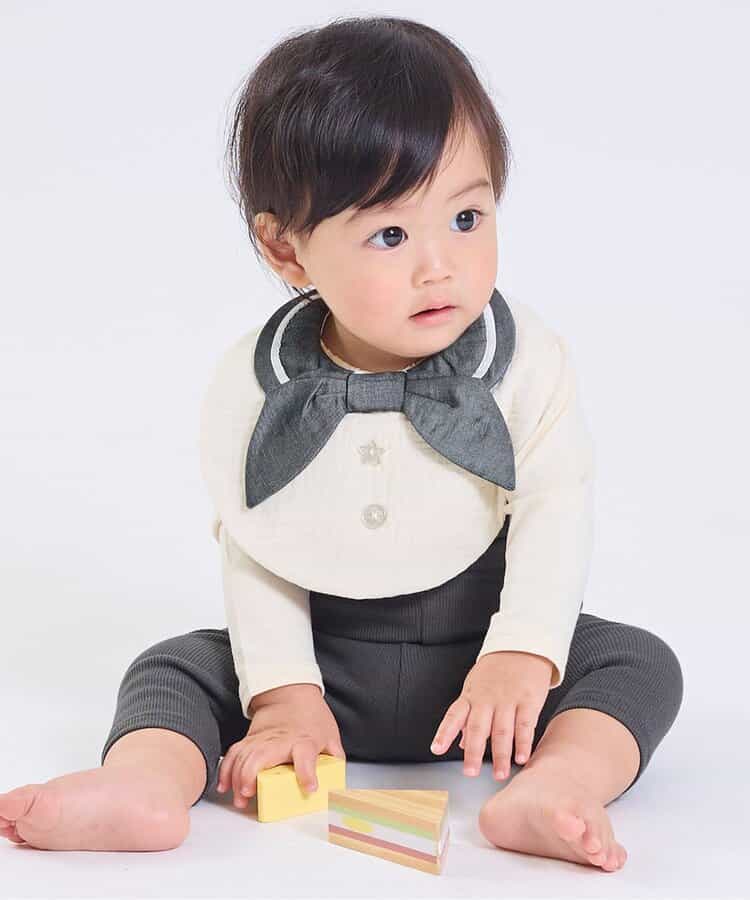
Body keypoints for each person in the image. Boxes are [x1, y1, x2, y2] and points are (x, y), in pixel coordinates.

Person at [0, 15, 682, 870]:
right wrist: (283, 697)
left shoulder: (527, 364)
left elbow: (556, 508)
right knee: (172, 668)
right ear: (286, 250)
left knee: (636, 661)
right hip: (326, 677)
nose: (439, 265)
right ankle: (144, 783)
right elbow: (255, 545)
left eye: (466, 217)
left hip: (483, 676)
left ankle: (559, 783)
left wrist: (521, 652)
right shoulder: (258, 388)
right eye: (390, 235)